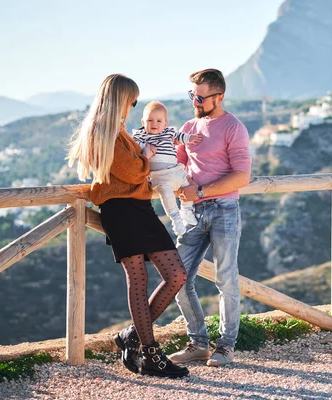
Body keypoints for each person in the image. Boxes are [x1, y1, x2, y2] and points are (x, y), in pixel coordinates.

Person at [66, 74, 189, 378]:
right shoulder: (101, 131)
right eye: (132, 100)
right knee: (138, 279)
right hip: (120, 210)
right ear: (120, 99)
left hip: (139, 207)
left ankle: (131, 337)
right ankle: (150, 353)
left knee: (176, 275)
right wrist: (146, 159)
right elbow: (133, 172)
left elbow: (134, 173)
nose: (133, 106)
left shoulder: (118, 130)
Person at [169, 68, 251, 367]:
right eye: (192, 95)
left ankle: (226, 346)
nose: (195, 101)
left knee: (225, 279)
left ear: (219, 96)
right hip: (190, 213)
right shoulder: (188, 126)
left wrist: (200, 191)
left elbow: (242, 175)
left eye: (200, 97)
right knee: (176, 278)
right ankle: (199, 343)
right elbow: (174, 165)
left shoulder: (234, 127)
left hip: (223, 210)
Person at [132, 101, 204, 236]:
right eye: (150, 120)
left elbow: (181, 136)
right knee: (167, 195)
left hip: (176, 171)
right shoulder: (141, 137)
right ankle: (176, 219)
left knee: (188, 186)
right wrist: (144, 150)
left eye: (159, 121)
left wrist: (191, 138)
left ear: (166, 123)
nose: (154, 124)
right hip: (159, 176)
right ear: (143, 122)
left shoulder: (169, 133)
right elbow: (133, 149)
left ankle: (187, 210)